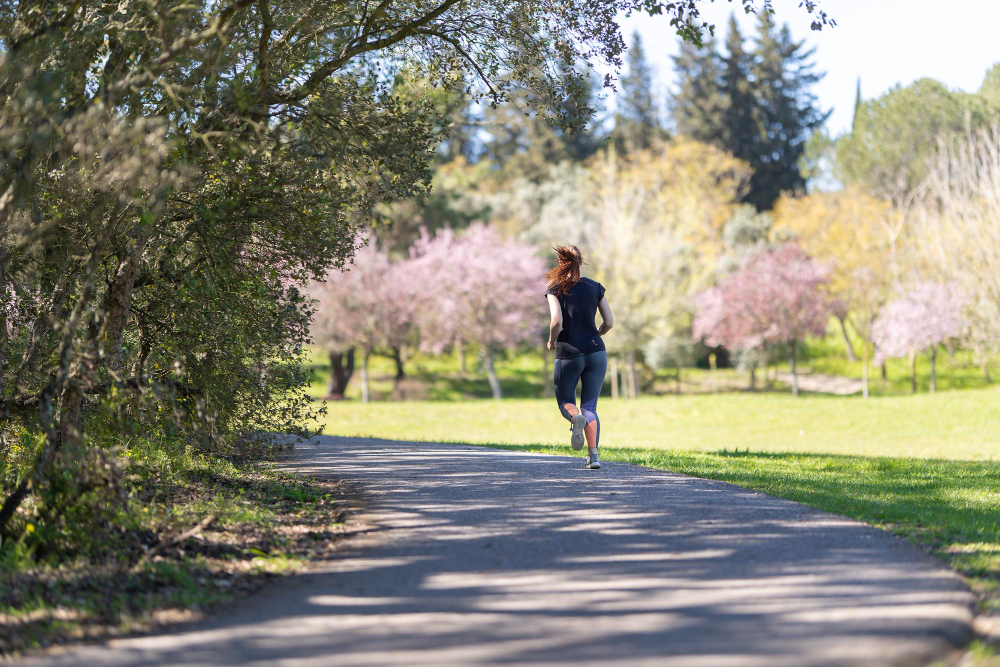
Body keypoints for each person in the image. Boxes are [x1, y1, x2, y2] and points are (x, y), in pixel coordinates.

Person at [544, 245, 613, 470]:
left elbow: (556, 321)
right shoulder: (595, 287)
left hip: (569, 354)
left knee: (566, 401)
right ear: (580, 262)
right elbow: (609, 322)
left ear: (560, 262)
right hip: (596, 351)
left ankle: (575, 420)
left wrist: (552, 340)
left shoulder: (555, 289)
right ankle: (594, 457)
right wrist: (596, 334)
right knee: (590, 407)